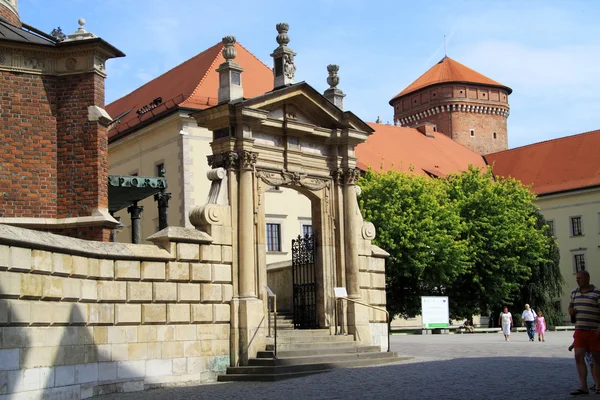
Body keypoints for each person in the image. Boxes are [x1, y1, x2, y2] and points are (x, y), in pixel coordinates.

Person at [568, 270, 600, 396]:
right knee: (578, 357)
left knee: (597, 359)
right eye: (577, 278)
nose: (577, 280)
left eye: (580, 278)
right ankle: (583, 386)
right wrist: (571, 311)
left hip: (594, 330)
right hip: (580, 330)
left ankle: (598, 386)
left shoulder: (597, 293)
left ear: (587, 278)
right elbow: (570, 307)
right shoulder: (574, 293)